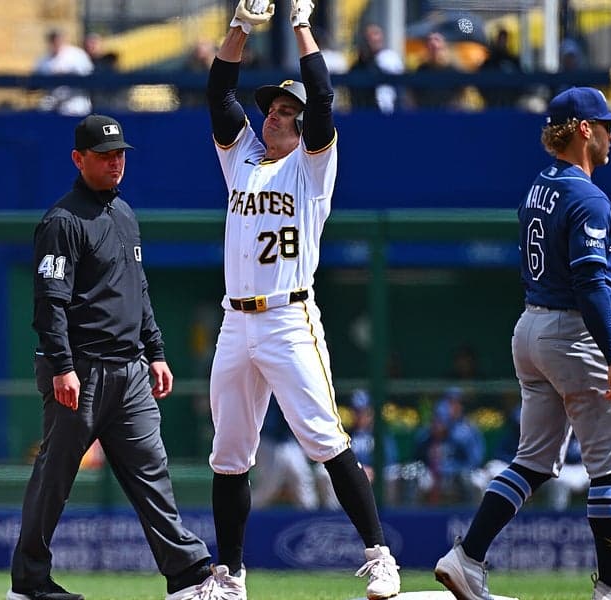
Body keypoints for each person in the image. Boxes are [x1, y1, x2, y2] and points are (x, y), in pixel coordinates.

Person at [196, 1, 401, 598]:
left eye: (287, 110)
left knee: (324, 440)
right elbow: (218, 90)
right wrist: (240, 26)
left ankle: (379, 555)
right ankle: (230, 575)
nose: (275, 116)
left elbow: (323, 95)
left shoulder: (313, 169)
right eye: (272, 109)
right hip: (237, 322)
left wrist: (300, 24)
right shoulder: (241, 159)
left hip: (289, 317)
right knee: (229, 455)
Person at [434, 87, 611, 600]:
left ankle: (466, 556)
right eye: (604, 124)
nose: (610, 133)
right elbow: (593, 286)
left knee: (532, 461)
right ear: (582, 129)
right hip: (574, 333)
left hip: (531, 327)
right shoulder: (587, 196)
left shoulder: (540, 186)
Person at [8, 115, 213, 600]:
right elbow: (49, 301)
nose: (115, 161)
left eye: (120, 153)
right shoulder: (63, 221)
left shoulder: (124, 213)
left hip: (131, 371)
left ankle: (186, 577)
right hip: (80, 370)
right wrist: (61, 366)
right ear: (78, 160)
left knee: (152, 472)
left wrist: (157, 352)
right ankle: (29, 584)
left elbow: (137, 290)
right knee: (55, 478)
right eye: (104, 155)